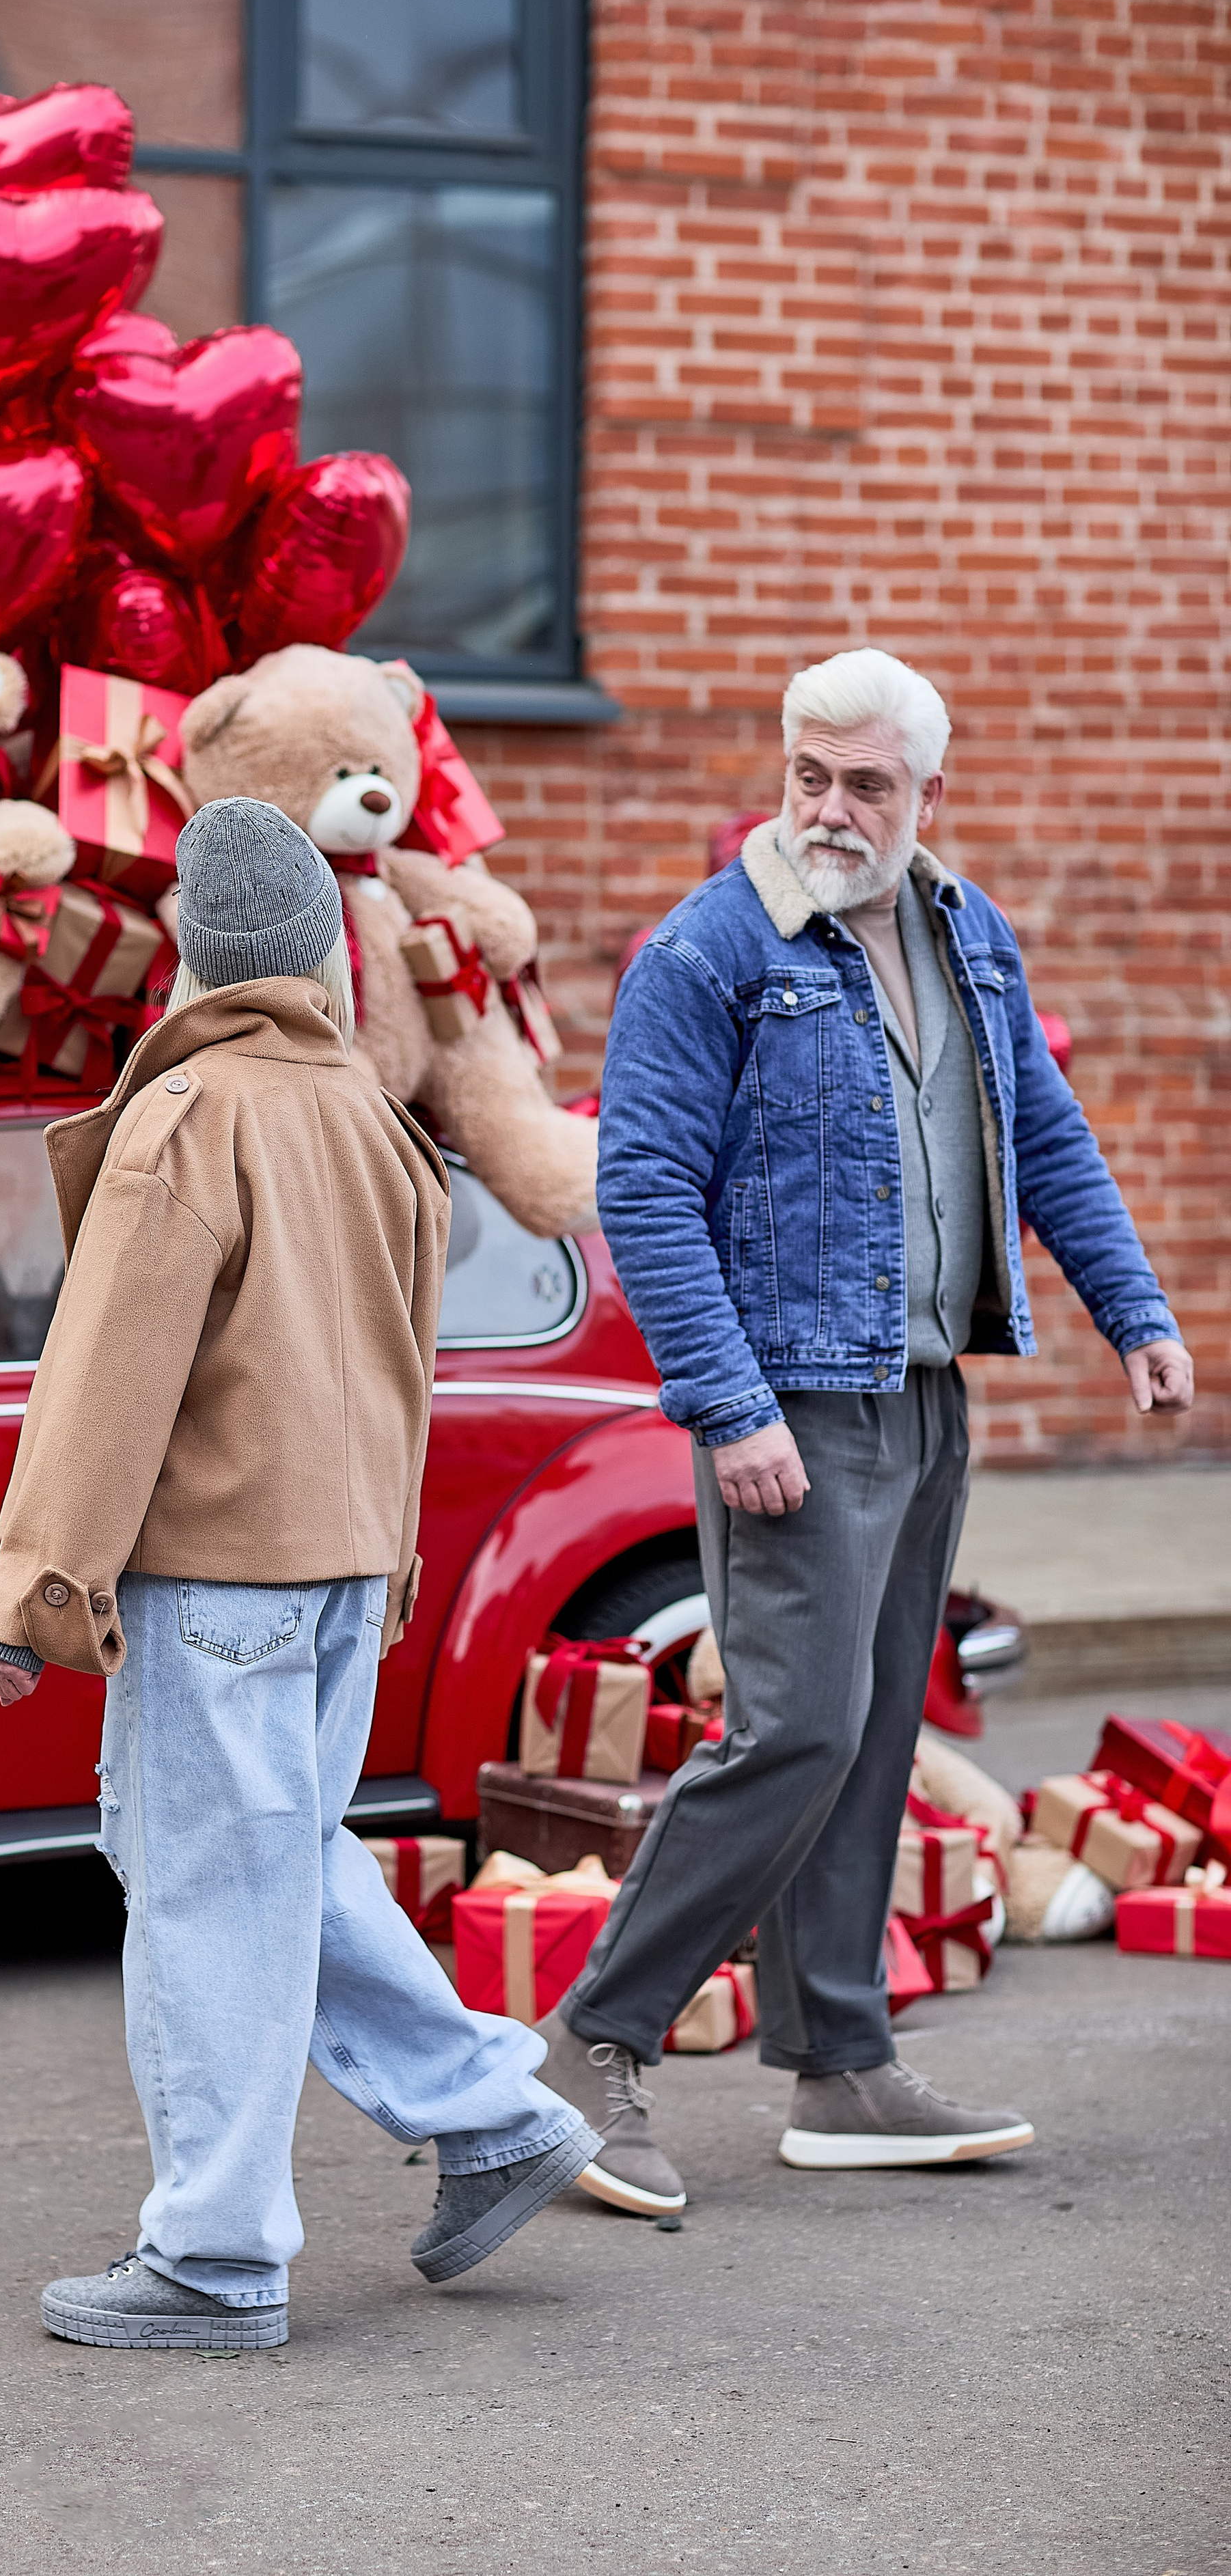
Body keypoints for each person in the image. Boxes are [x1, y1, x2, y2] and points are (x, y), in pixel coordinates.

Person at [533, 648, 1193, 2206]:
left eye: (866, 785)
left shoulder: (967, 937)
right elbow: (641, 1195)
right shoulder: (703, 958)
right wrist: (727, 1403)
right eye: (808, 776)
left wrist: (1137, 1312)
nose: (831, 809)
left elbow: (1042, 1135)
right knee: (799, 1729)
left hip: (921, 1394)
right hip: (787, 1410)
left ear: (923, 796)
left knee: (878, 1731)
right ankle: (589, 2040)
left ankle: (836, 2065)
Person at [0, 798, 598, 2351]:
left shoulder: (192, 1118)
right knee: (269, 1865)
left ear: (189, 954)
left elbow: (103, 1385)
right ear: (321, 948)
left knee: (203, 1899)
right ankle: (485, 2113)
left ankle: (214, 2258)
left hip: (218, 1583)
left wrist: (35, 1597)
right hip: (335, 1574)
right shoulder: (372, 1119)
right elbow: (404, 1370)